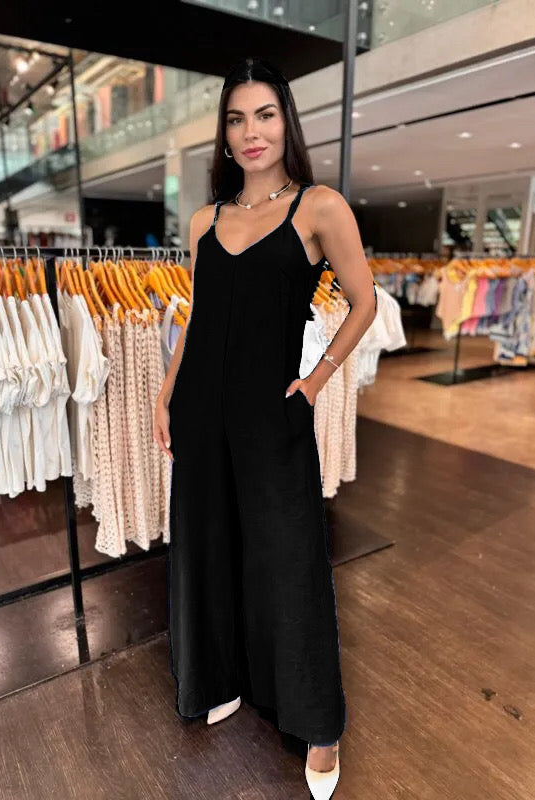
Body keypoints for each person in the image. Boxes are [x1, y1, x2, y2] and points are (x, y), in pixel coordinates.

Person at [153, 56, 377, 800]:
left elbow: (365, 300)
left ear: (286, 122)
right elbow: (198, 317)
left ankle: (319, 724)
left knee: (290, 558)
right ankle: (219, 676)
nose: (252, 132)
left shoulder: (318, 207)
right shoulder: (205, 221)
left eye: (266, 115)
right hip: (200, 414)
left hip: (273, 415)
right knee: (208, 548)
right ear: (224, 133)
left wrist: (314, 382)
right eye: (237, 118)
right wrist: (165, 392)